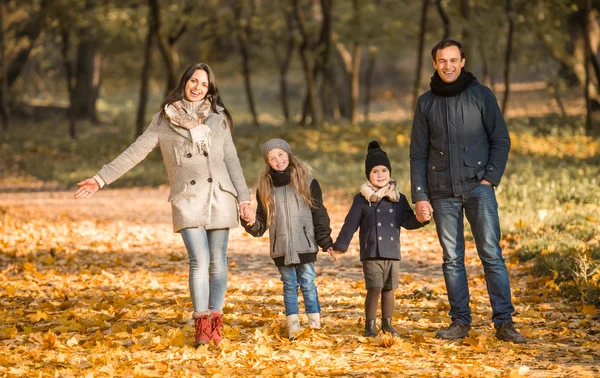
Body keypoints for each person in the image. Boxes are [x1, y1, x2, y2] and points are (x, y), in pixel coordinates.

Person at [74, 63, 254, 347]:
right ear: (185, 82)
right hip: (187, 199)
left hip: (220, 196)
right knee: (199, 260)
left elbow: (231, 160)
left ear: (210, 90)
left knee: (218, 261)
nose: (197, 87)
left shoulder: (218, 119)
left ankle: (215, 323)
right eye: (193, 81)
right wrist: (100, 179)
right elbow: (135, 152)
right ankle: (201, 324)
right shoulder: (164, 119)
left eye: (204, 84)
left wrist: (244, 198)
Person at [409, 39, 525, 343]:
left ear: (463, 61)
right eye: (441, 61)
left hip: (479, 188)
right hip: (442, 192)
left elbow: (501, 139)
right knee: (452, 259)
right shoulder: (425, 103)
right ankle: (460, 322)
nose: (448, 65)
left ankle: (504, 322)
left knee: (491, 255)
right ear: (434, 64)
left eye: (453, 60)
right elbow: (418, 153)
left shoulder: (481, 95)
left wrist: (489, 179)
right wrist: (420, 195)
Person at [332, 141, 427, 337]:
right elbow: (350, 224)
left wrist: (421, 219)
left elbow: (407, 221)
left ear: (390, 173)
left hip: (392, 251)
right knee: (374, 287)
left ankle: (388, 324)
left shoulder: (398, 198)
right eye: (375, 171)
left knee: (389, 289)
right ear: (368, 175)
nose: (380, 175)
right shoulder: (362, 198)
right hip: (372, 251)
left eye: (384, 170)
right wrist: (340, 247)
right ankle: (370, 326)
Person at [240, 138, 334, 339]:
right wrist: (248, 220)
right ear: (268, 162)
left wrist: (326, 241)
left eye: (280, 154)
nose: (278, 160)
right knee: (289, 285)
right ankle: (293, 327)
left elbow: (319, 214)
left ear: (288, 155)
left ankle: (314, 326)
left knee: (308, 282)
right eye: (272, 158)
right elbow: (260, 224)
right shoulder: (264, 188)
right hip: (281, 246)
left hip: (305, 244)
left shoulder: (307, 182)